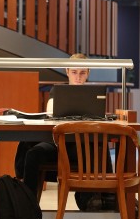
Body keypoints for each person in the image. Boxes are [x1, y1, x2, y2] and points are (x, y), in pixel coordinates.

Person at [16, 53, 90, 196]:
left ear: (88, 73)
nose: (78, 77)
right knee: (32, 153)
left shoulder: (94, 95)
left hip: (81, 146)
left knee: (100, 151)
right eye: (74, 72)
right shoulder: (57, 91)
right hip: (58, 144)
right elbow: (50, 111)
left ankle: (104, 197)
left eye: (83, 73)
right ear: (67, 72)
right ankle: (28, 204)